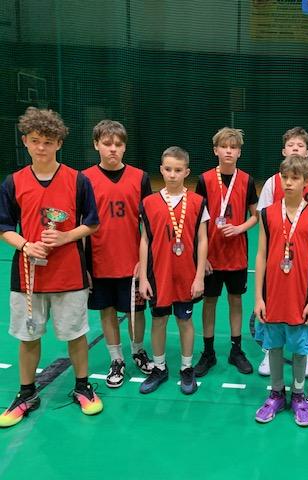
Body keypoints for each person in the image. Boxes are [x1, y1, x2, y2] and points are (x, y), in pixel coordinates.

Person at [0, 107, 102, 428]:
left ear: (59, 143)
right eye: (35, 141)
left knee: (76, 334)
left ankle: (83, 386)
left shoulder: (78, 180)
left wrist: (64, 237)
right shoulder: (13, 182)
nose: (41, 147)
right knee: (28, 337)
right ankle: (26, 393)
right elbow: (4, 227)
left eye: (48, 141)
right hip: (28, 275)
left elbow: (92, 223)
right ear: (25, 142)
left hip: (69, 273)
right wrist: (25, 245)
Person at [253, 155, 308, 426]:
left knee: (299, 349)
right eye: (285, 177)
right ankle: (276, 394)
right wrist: (258, 297)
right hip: (273, 295)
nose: (289, 182)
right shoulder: (267, 214)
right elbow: (261, 255)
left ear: (306, 182)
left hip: (300, 296)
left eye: (295, 178)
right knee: (274, 345)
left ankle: (298, 395)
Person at [83, 120, 154, 388]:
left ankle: (137, 351)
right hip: (99, 261)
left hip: (132, 262)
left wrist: (144, 262)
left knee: (137, 311)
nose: (113, 149)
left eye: (118, 144)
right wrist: (84, 265)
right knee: (107, 310)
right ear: (96, 145)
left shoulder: (140, 177)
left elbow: (148, 225)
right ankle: (116, 359)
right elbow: (81, 224)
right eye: (107, 143)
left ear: (124, 147)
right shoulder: (84, 179)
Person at [138, 147, 208, 395]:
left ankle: (187, 368)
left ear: (187, 172)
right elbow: (144, 240)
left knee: (185, 321)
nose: (172, 174)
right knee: (158, 321)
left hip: (187, 275)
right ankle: (159, 367)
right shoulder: (149, 203)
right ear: (161, 170)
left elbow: (202, 240)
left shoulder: (198, 202)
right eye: (168, 169)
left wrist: (199, 276)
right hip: (159, 275)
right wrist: (143, 277)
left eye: (178, 170)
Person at [194, 128, 258, 376]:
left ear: (239, 152)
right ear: (216, 150)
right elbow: (197, 219)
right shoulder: (205, 180)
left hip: (236, 255)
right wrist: (202, 258)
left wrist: (240, 227)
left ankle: (236, 350)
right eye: (224, 147)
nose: (229, 151)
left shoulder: (247, 180)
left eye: (233, 147)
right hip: (211, 256)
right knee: (209, 302)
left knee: (235, 300)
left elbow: (256, 215)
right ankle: (208, 352)